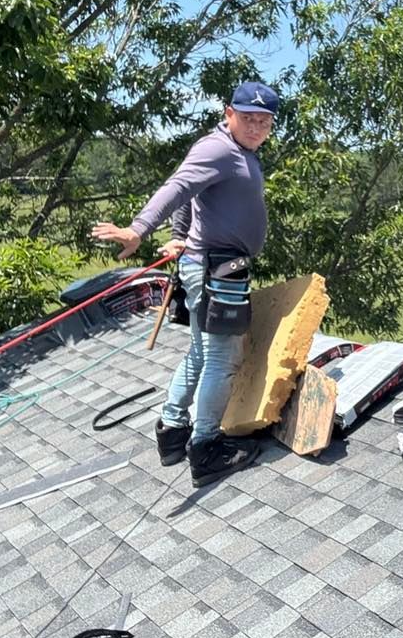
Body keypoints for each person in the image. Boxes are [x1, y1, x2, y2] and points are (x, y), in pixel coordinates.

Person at [91, 81, 278, 487]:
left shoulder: (238, 152)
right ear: (229, 113)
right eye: (248, 119)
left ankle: (172, 432)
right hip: (216, 270)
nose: (256, 128)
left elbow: (196, 196)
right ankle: (206, 447)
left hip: (213, 264)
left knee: (199, 351)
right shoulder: (218, 148)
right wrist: (139, 229)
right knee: (221, 359)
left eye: (264, 122)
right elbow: (178, 186)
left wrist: (181, 233)